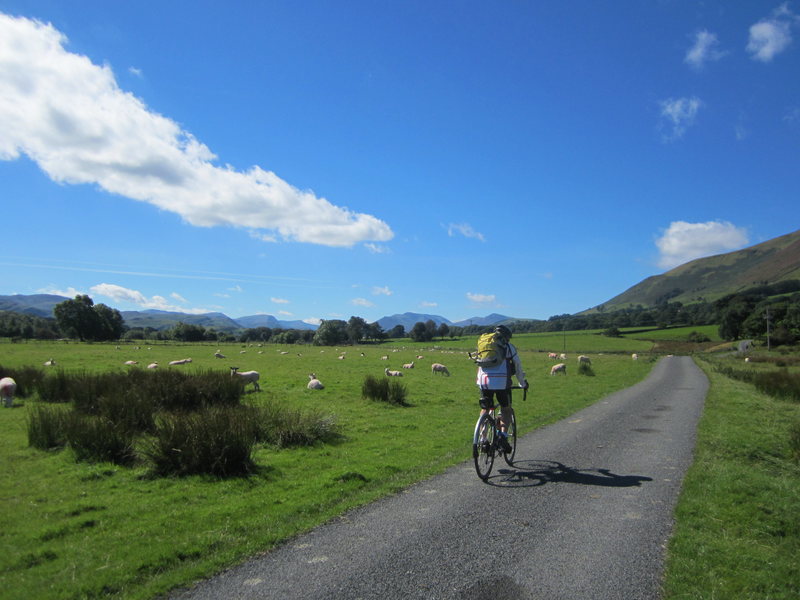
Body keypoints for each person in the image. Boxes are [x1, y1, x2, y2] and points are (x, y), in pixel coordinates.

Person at [476, 325, 527, 453]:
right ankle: (503, 436)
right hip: (501, 382)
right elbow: (518, 366)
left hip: (484, 381)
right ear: (507, 337)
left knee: (485, 408)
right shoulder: (509, 347)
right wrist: (523, 383)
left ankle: (482, 439)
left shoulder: (485, 344)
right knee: (506, 409)